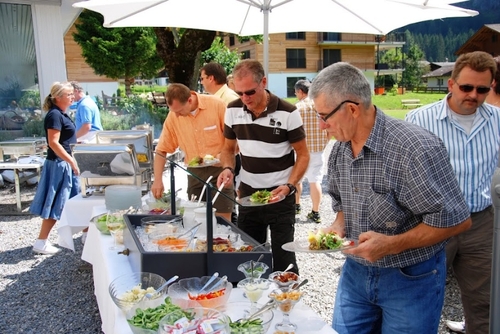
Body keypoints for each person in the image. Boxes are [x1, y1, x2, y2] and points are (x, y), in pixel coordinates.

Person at [308, 62, 471, 333]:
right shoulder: (339, 149)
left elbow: (458, 221)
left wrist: (392, 244)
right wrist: (338, 225)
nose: (321, 125)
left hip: (411, 278)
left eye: (324, 116)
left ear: (352, 109)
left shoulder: (415, 147)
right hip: (355, 274)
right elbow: (342, 203)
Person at [406, 51, 500, 334]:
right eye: (466, 87)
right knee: (418, 295)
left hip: (480, 221)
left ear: (491, 87)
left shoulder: (498, 120)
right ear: (451, 84)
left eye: (482, 89)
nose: (473, 95)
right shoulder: (419, 119)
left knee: (484, 301)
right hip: (433, 222)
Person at [217, 59, 310, 274]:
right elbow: (228, 149)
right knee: (250, 256)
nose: (244, 99)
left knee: (283, 258)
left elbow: (303, 155)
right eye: (239, 93)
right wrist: (227, 169)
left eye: (249, 92)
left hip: (280, 195)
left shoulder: (288, 112)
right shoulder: (232, 110)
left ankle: (287, 303)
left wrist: (290, 185)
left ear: (264, 82)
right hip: (249, 194)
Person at [151, 83, 234, 222]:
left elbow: (233, 140)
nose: (176, 115)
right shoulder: (173, 116)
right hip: (194, 174)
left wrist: (223, 157)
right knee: (197, 220)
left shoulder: (216, 105)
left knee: (222, 221)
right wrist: (157, 180)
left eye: (179, 111)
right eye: (173, 111)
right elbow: (161, 149)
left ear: (189, 100)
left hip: (220, 171)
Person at [30, 82, 81, 255]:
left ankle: (88, 236)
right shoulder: (54, 115)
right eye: (69, 94)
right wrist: (71, 161)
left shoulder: (61, 114)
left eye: (72, 94)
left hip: (65, 162)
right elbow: (53, 143)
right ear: (57, 97)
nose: (72, 97)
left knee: (78, 199)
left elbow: (65, 140)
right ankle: (41, 242)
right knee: (56, 202)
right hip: (60, 164)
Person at [200, 62, 241, 223]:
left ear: (211, 78)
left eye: (202, 78)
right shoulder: (217, 98)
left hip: (229, 157)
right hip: (220, 158)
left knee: (228, 202)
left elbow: (238, 133)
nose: (201, 82)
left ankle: (232, 234)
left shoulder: (229, 99)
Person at [70, 81, 102, 244]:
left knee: (87, 183)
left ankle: (87, 231)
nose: (70, 97)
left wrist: (73, 139)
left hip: (87, 143)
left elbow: (87, 126)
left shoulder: (84, 105)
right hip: (92, 142)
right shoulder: (90, 102)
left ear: (76, 91)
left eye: (70, 93)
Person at [293, 79, 329, 223]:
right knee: (315, 180)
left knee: (297, 179)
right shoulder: (320, 107)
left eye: (296, 92)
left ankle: (296, 205)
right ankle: (315, 212)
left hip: (301, 151)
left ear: (301, 92)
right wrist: (324, 142)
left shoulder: (297, 108)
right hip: (318, 150)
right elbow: (328, 127)